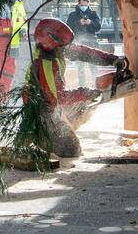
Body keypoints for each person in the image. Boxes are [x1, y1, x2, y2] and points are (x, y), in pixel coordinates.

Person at [26, 18, 127, 157]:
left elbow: (83, 53)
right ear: (52, 43)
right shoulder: (45, 64)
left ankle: (59, 131)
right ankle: (42, 139)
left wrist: (112, 60)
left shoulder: (55, 51)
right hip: (44, 115)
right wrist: (85, 93)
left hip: (53, 108)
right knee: (71, 150)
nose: (67, 49)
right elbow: (58, 98)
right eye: (64, 46)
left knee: (86, 105)